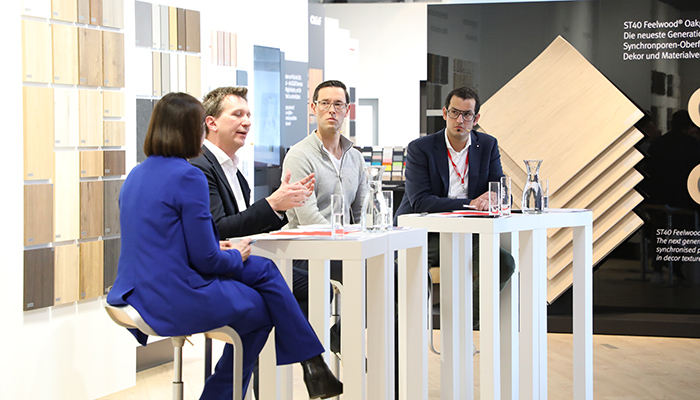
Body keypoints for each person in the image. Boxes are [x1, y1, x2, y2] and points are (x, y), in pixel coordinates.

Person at [106, 92, 342, 399]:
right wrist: (235, 254)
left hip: (135, 290)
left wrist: (225, 250)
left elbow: (170, 241)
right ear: (194, 129)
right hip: (172, 295)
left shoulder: (136, 174)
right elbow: (206, 260)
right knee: (261, 305)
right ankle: (306, 365)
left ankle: (312, 366)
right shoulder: (188, 176)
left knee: (263, 270)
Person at [395, 86, 515, 328]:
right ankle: (403, 331)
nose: (460, 120)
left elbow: (500, 189)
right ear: (444, 113)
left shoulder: (488, 145)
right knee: (405, 274)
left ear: (476, 118)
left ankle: (464, 322)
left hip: (466, 233)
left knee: (504, 263)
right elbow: (420, 201)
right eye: (454, 113)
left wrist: (493, 197)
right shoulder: (421, 148)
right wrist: (471, 203)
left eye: (467, 114)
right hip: (423, 233)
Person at [189, 86, 315, 313]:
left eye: (248, 115)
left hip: (243, 258)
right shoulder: (200, 166)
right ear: (212, 123)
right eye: (237, 115)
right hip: (221, 266)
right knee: (312, 288)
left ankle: (269, 348)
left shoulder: (234, 171)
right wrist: (272, 204)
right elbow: (218, 229)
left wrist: (279, 208)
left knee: (315, 285)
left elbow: (244, 223)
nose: (246, 122)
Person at [282, 79, 369, 353]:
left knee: (391, 272)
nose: (331, 110)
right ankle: (337, 341)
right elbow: (308, 218)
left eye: (338, 104)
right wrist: (350, 241)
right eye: (325, 103)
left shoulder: (355, 157)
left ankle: (340, 336)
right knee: (369, 273)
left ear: (348, 110)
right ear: (313, 108)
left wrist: (363, 237)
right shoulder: (299, 155)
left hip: (346, 247)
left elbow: (364, 212)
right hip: (308, 250)